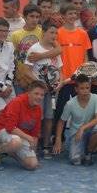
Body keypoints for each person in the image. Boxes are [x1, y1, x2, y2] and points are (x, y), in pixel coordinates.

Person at [0, 80, 46, 171]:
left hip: (21, 135)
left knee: (32, 165)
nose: (39, 97)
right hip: (3, 129)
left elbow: (35, 134)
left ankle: (10, 152)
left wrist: (33, 150)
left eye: (42, 95)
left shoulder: (38, 110)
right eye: (36, 93)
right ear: (29, 93)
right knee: (16, 142)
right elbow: (10, 127)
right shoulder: (17, 102)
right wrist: (28, 138)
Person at [25, 21, 63, 157]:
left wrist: (60, 83)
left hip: (52, 91)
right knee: (36, 118)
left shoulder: (54, 50)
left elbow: (60, 70)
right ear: (43, 32)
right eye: (51, 32)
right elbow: (27, 70)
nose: (54, 35)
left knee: (49, 117)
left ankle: (46, 145)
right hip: (38, 92)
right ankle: (33, 145)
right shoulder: (34, 48)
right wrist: (40, 84)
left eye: (56, 33)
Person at [53, 3, 92, 127]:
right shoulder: (58, 33)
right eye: (70, 13)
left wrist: (85, 74)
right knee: (61, 109)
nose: (73, 16)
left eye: (75, 13)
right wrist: (60, 76)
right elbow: (55, 56)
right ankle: (58, 135)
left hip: (79, 79)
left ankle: (80, 133)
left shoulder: (83, 33)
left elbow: (85, 56)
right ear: (63, 16)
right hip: (64, 79)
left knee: (81, 109)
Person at [53, 74, 97, 166]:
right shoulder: (70, 104)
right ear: (76, 89)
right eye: (82, 88)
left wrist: (82, 128)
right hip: (76, 134)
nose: (85, 91)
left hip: (89, 129)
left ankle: (88, 152)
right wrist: (58, 139)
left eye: (87, 88)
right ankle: (84, 148)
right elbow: (61, 122)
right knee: (75, 160)